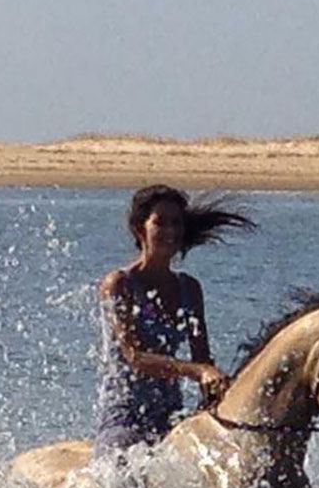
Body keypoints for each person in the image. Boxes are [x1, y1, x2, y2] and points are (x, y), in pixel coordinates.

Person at [93, 184, 254, 457]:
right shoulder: (120, 284)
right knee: (123, 484)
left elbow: (202, 356)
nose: (170, 231)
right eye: (160, 223)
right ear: (139, 229)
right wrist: (197, 372)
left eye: (177, 223)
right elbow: (135, 356)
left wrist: (214, 394)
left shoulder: (189, 288)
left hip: (172, 415)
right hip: (125, 415)